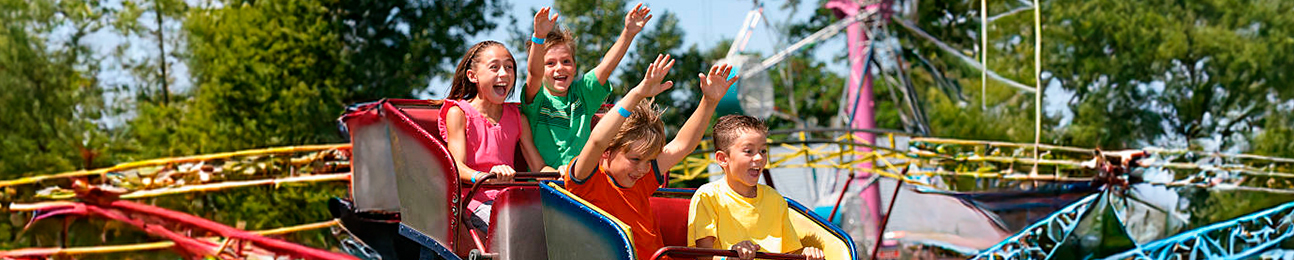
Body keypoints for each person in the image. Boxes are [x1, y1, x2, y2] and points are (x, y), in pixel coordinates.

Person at [565, 54, 738, 260]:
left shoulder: (640, 181)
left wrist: (709, 102)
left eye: (649, 161)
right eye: (635, 159)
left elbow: (682, 145)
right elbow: (597, 141)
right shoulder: (587, 182)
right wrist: (638, 93)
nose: (643, 169)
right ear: (607, 152)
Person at [523, 4, 652, 171]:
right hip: (543, 185)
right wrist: (539, 37)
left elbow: (606, 66)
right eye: (550, 63)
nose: (559, 68)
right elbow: (534, 74)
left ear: (575, 67)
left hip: (580, 180)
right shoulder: (537, 99)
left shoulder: (582, 94)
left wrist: (628, 32)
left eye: (566, 61)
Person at [438, 40, 547, 230]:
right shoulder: (458, 113)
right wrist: (486, 176)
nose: (504, 74)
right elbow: (456, 166)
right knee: (514, 227)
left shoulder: (517, 118)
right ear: (473, 76)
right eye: (494, 67)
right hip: (473, 200)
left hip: (510, 199)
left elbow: (539, 167)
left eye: (509, 67)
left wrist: (566, 172)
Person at [687, 115, 826, 260]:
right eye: (749, 151)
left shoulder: (774, 198)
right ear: (723, 159)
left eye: (763, 151)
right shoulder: (708, 196)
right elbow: (704, 255)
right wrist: (728, 257)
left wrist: (807, 254)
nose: (759, 158)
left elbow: (789, 253)